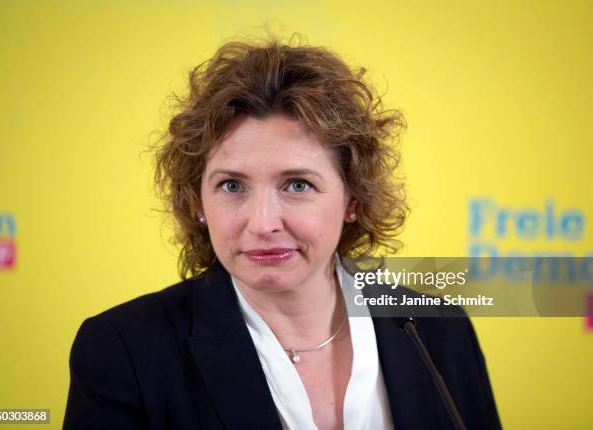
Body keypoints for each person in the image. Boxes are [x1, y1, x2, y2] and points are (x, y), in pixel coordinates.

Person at [63, 33, 502, 430]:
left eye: (297, 185)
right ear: (197, 201)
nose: (262, 222)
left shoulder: (439, 331)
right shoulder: (123, 350)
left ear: (352, 199)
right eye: (231, 185)